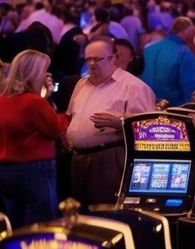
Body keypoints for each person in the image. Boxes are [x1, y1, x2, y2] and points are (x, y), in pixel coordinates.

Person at [65, 36, 156, 208]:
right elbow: (71, 116)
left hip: (109, 159)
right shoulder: (81, 84)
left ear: (113, 58)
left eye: (97, 59)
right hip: (78, 160)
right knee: (81, 217)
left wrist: (121, 123)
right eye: (88, 59)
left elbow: (150, 131)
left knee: (105, 214)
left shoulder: (134, 87)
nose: (92, 64)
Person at [0, 49, 70, 227]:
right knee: (40, 231)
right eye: (43, 71)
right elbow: (54, 129)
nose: (46, 76)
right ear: (33, 73)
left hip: (4, 173)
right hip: (34, 171)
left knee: (16, 230)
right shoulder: (34, 101)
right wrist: (65, 116)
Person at [139, 16, 195, 105]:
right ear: (188, 30)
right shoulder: (184, 53)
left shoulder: (148, 48)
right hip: (172, 110)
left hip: (145, 105)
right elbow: (191, 88)